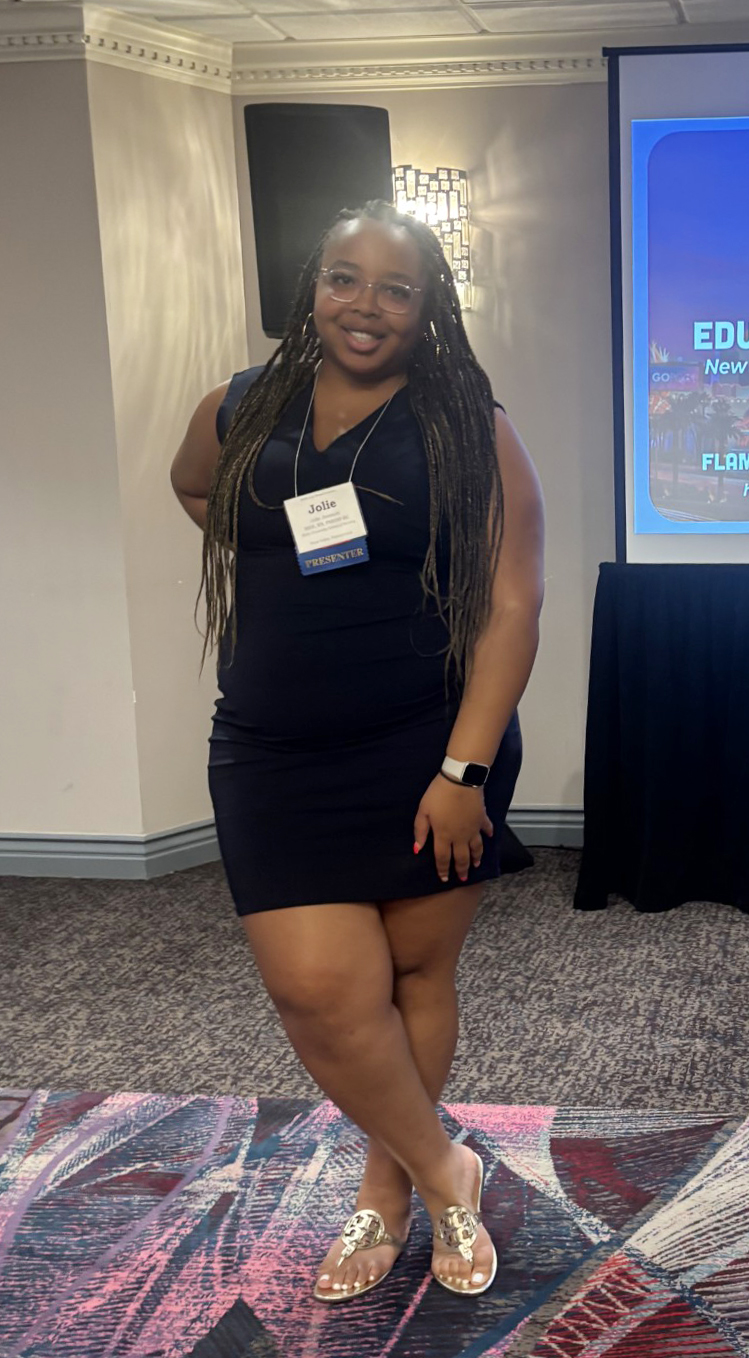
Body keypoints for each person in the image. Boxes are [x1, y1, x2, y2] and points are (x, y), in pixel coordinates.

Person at [169, 201, 544, 1303]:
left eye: (395, 287)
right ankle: (446, 1164)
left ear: (428, 308)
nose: (364, 306)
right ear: (312, 286)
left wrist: (464, 771)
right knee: (319, 994)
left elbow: (513, 602)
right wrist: (269, 538)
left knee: (413, 973)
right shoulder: (243, 402)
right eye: (344, 278)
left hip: (424, 745)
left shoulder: (464, 419)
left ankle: (386, 1188)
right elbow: (196, 485)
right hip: (269, 745)